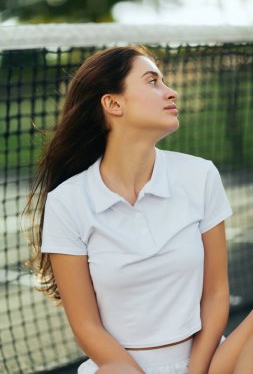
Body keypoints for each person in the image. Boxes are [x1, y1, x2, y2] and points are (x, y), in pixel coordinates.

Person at [22, 45, 253, 374]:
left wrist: (197, 370)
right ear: (113, 103)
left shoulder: (200, 175)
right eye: (153, 82)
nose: (171, 92)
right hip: (123, 367)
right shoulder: (67, 202)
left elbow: (216, 293)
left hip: (207, 362)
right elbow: (86, 326)